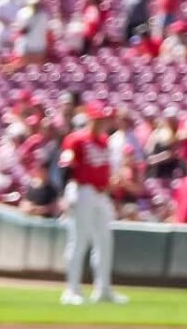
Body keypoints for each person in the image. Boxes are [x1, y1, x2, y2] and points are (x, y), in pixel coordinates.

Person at [59, 101, 126, 305]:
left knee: (105, 241)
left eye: (105, 119)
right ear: (90, 118)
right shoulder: (76, 139)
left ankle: (103, 289)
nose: (103, 122)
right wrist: (66, 194)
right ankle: (72, 291)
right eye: (99, 119)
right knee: (79, 241)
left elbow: (105, 171)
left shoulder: (104, 141)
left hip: (100, 194)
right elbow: (66, 167)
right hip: (82, 191)